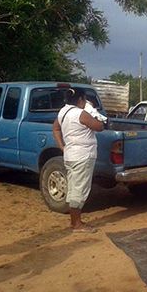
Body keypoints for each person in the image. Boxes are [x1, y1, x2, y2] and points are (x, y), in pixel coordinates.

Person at [52, 87, 104, 233]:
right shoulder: (81, 114)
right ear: (81, 100)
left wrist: (62, 146)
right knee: (80, 189)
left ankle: (75, 221)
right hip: (82, 155)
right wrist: (92, 111)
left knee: (74, 187)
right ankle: (76, 224)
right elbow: (99, 126)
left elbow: (55, 128)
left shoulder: (63, 111)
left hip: (71, 155)